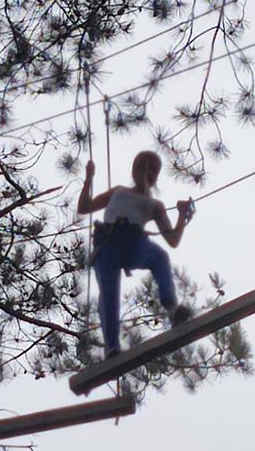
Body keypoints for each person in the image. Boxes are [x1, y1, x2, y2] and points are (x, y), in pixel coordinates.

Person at [77, 150, 195, 359]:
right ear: (134, 170)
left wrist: (183, 216)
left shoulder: (155, 206)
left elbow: (172, 240)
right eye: (142, 167)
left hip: (134, 241)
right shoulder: (119, 191)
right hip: (108, 243)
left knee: (160, 256)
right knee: (109, 295)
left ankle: (172, 308)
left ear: (156, 175)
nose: (146, 172)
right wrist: (88, 178)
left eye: (151, 169)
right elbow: (84, 207)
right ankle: (112, 347)